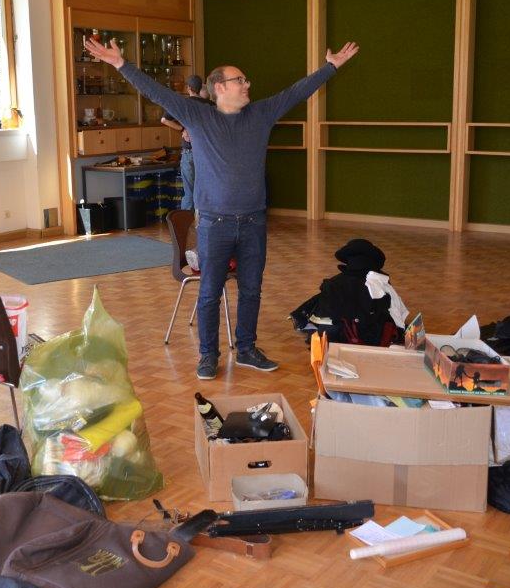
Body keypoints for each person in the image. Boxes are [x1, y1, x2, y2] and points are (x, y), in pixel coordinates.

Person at [85, 35, 360, 380]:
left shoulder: (261, 114)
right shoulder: (197, 116)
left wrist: (330, 67)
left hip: (253, 221)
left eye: (245, 80)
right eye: (239, 80)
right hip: (214, 224)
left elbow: (296, 92)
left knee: (251, 290)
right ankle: (208, 355)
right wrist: (120, 64)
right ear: (219, 87)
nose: (247, 85)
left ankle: (246, 349)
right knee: (209, 293)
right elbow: (156, 92)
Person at [159, 74, 212, 211]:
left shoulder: (182, 103)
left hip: (189, 151)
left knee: (189, 192)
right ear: (201, 88)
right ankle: (204, 221)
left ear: (188, 88)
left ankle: (186, 222)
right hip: (207, 153)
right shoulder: (210, 105)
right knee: (206, 191)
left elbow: (164, 120)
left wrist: (183, 129)